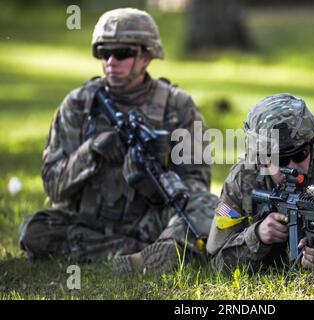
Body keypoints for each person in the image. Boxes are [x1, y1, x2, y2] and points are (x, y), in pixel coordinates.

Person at [18, 8, 218, 273]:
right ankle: (147, 252)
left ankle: (160, 247)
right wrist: (91, 152)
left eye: (122, 53)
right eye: (104, 53)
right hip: (90, 221)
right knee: (34, 231)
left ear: (147, 56)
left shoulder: (177, 105)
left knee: (211, 207)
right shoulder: (79, 105)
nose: (111, 61)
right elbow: (54, 186)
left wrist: (156, 175)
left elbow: (197, 182)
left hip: (152, 218)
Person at [207, 94, 314, 271]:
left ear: (312, 145)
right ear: (262, 158)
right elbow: (217, 263)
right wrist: (257, 236)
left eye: (300, 154)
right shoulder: (243, 179)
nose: (293, 167)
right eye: (281, 160)